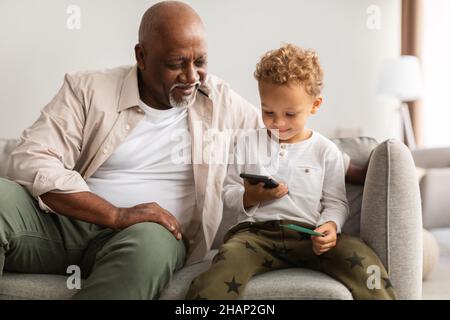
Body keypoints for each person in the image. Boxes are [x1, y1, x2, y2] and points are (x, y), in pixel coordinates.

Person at [0, 1, 260, 299]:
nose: (191, 76)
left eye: (199, 62)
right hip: (62, 225)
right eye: (176, 64)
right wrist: (115, 214)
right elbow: (30, 159)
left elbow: (284, 141)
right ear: (142, 56)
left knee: (152, 243)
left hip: (148, 237)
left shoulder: (219, 101)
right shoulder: (88, 89)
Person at [186, 44, 397, 300]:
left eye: (290, 114)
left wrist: (330, 226)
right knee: (225, 262)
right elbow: (228, 191)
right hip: (256, 236)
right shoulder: (246, 143)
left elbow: (336, 203)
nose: (277, 122)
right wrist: (250, 197)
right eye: (268, 112)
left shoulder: (325, 150)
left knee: (363, 260)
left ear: (315, 105)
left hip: (309, 236)